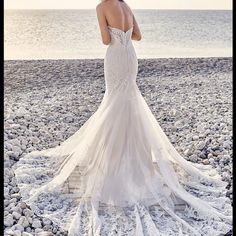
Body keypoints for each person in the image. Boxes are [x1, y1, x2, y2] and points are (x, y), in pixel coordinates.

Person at [14, 0, 232, 235]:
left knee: (113, 103)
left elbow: (106, 40)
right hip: (130, 56)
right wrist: (123, 31)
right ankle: (136, 163)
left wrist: (112, 31)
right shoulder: (125, 5)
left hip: (116, 56)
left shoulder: (101, 7)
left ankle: (111, 164)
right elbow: (137, 35)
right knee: (128, 103)